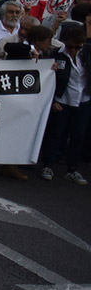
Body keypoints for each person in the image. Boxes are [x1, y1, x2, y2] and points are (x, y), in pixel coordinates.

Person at [43, 26, 90, 185]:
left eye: (78, 47)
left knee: (78, 135)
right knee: (56, 133)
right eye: (71, 46)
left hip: (83, 99)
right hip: (63, 99)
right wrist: (54, 100)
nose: (74, 50)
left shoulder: (87, 53)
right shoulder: (57, 55)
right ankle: (48, 164)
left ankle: (72, 169)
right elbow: (48, 79)